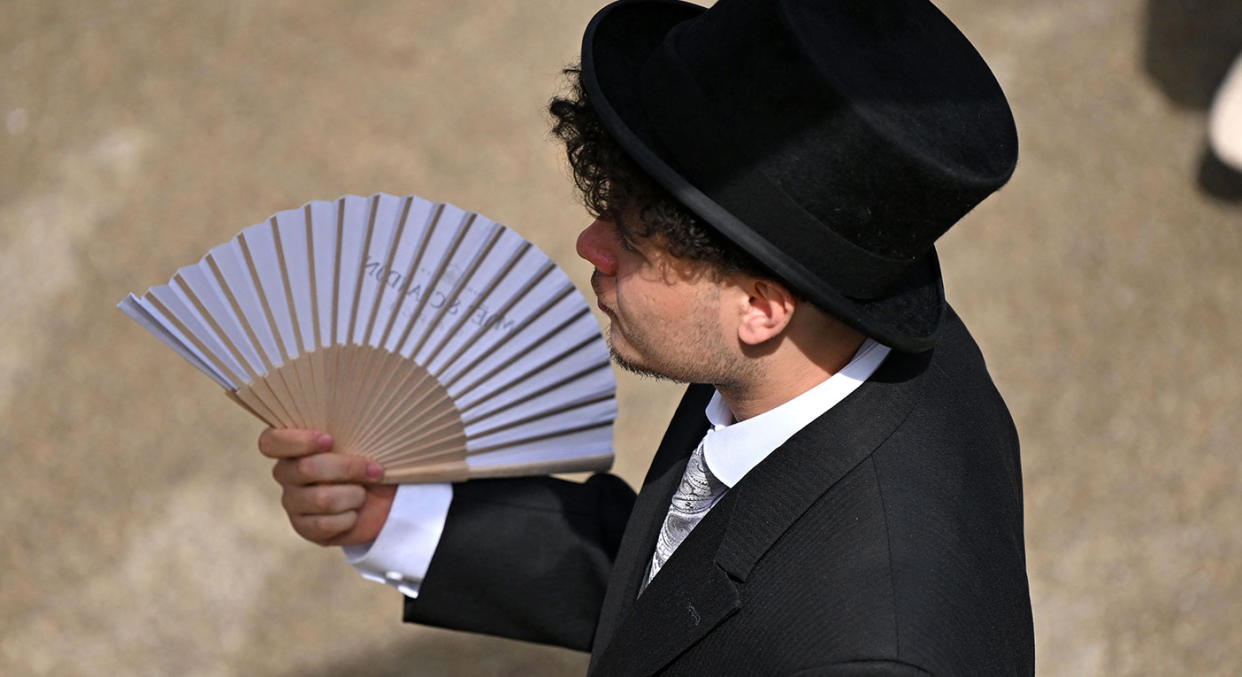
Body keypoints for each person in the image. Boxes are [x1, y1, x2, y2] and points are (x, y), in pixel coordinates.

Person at [258, 0, 1035, 674]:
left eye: (632, 237)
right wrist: (398, 518)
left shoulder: (870, 655)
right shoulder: (812, 335)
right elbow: (678, 590)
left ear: (763, 306)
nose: (589, 246)